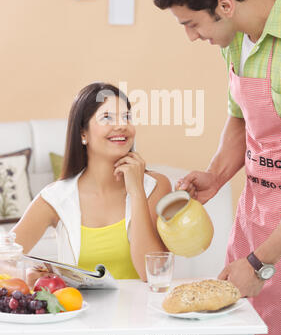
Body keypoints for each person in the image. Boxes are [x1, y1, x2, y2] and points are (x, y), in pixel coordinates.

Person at [153, 0, 281, 335]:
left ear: (225, 4)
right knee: (238, 326)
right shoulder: (235, 38)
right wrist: (216, 176)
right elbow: (241, 118)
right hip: (254, 213)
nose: (190, 37)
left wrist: (259, 264)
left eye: (192, 24)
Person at [11, 82, 171, 281]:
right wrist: (30, 275)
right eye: (107, 117)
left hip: (145, 312)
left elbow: (154, 275)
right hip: (83, 311)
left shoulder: (156, 186)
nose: (121, 125)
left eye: (126, 117)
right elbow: (5, 257)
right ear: (82, 133)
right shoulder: (55, 198)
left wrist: (136, 192)